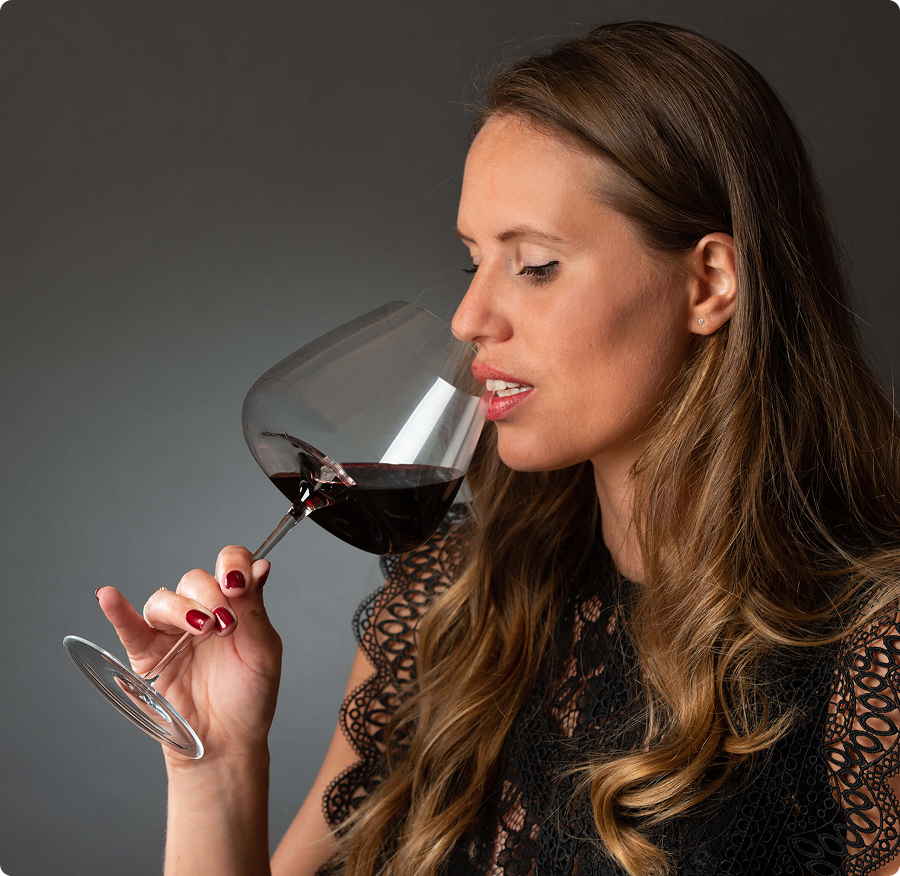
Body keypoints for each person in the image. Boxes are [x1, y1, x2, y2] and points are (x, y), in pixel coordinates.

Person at [96, 21, 900, 876]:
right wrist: (216, 764)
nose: (469, 318)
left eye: (536, 265)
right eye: (472, 261)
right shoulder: (456, 603)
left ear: (708, 284)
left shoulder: (872, 662)